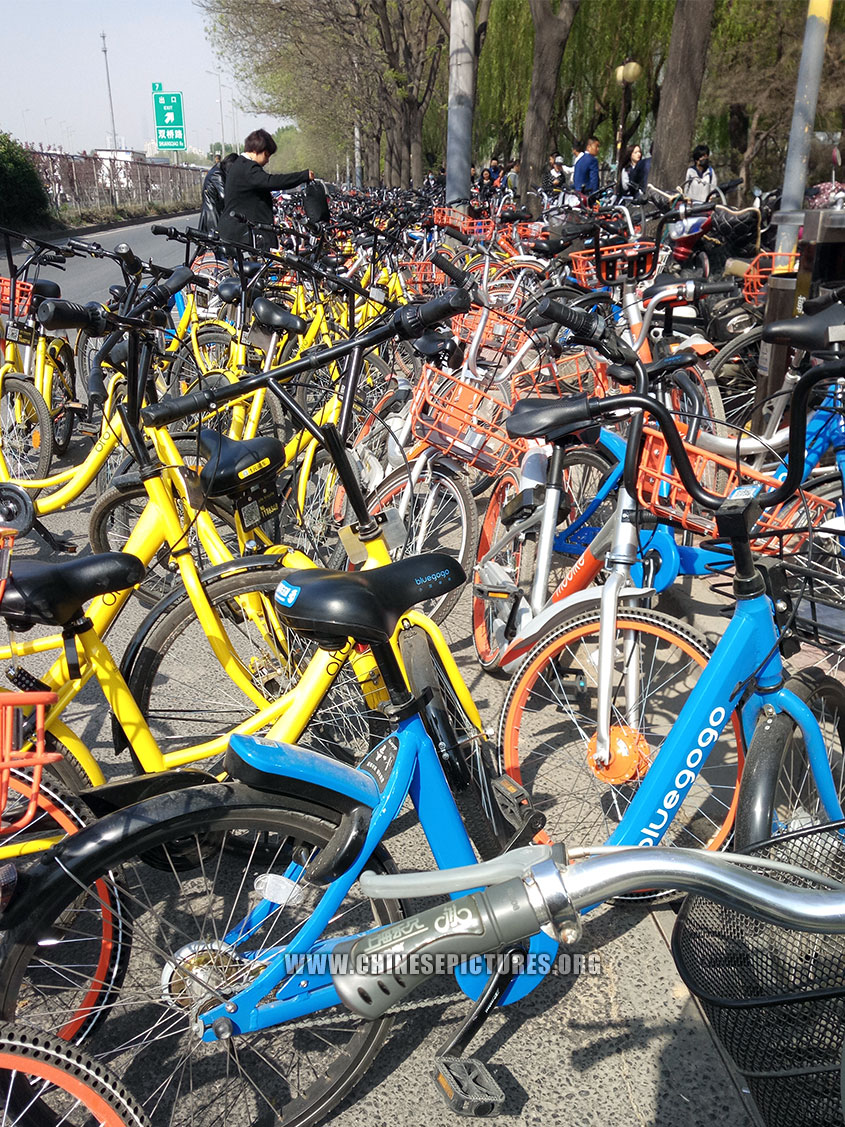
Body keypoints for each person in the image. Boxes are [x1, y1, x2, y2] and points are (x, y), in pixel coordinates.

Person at [218, 127, 313, 248]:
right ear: (255, 150)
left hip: (241, 231)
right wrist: (303, 176)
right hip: (243, 234)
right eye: (266, 155)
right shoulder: (247, 168)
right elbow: (271, 181)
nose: (267, 160)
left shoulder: (241, 165)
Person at [198, 153, 238, 235]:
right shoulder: (217, 173)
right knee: (218, 241)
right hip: (213, 214)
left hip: (213, 211)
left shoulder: (217, 170)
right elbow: (224, 196)